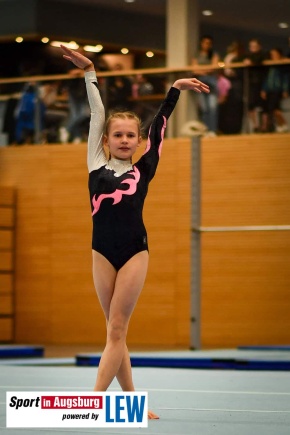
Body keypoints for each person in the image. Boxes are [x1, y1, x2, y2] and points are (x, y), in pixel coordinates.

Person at [60, 44, 209, 419]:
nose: (125, 140)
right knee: (115, 331)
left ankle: (94, 401)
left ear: (138, 141)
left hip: (133, 251)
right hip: (100, 251)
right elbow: (97, 112)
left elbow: (159, 125)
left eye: (131, 135)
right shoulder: (95, 163)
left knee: (116, 329)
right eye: (118, 135)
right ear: (106, 141)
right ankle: (133, 405)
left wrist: (174, 89)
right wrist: (90, 70)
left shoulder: (145, 168)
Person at [192, 35, 220, 136]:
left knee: (212, 107)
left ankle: (212, 130)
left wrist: (201, 70)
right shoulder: (197, 55)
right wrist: (205, 71)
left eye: (209, 43)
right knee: (204, 108)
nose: (206, 45)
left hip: (211, 83)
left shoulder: (214, 54)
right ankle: (205, 130)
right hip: (200, 83)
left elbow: (213, 68)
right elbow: (194, 69)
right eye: (205, 43)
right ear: (201, 43)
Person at [260, 48, 289, 132]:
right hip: (270, 90)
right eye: (272, 54)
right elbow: (266, 78)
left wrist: (285, 90)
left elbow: (285, 78)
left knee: (274, 108)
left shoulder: (282, 64)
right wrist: (264, 89)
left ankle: (283, 125)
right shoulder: (270, 64)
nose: (273, 55)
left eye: (275, 54)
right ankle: (281, 126)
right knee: (274, 109)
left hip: (277, 89)